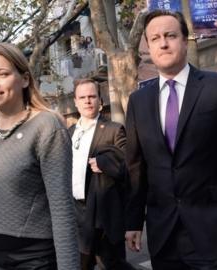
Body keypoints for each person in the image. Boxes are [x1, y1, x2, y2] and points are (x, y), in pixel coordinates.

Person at [124, 10, 217, 270]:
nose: (163, 43)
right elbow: (136, 167)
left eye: (170, 35)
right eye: (155, 38)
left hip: (214, 228)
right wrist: (133, 221)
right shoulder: (138, 101)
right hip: (164, 232)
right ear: (148, 47)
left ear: (185, 40)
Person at [0, 42, 79, 270]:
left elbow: (62, 212)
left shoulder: (46, 126)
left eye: (1, 74)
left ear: (24, 79)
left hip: (36, 261)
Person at [69, 78, 134, 270]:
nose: (87, 101)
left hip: (103, 215)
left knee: (112, 264)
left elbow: (128, 165)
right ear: (75, 101)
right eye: (82, 97)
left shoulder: (114, 130)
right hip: (76, 215)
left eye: (92, 96)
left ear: (100, 100)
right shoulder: (68, 133)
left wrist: (106, 163)